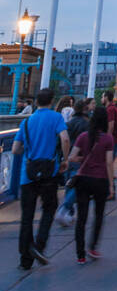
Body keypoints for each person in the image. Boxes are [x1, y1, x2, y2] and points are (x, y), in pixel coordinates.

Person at [11, 88, 70, 270]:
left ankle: (25, 260)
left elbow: (15, 149)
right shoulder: (56, 118)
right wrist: (65, 160)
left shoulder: (27, 122)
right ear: (51, 102)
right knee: (49, 208)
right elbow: (65, 139)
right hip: (49, 173)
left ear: (36, 102)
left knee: (27, 217)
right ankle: (39, 246)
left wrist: (28, 151)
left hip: (27, 175)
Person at [67, 105, 114, 265]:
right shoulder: (108, 138)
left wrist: (83, 158)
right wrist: (111, 185)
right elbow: (108, 162)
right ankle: (92, 247)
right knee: (99, 215)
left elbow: (72, 157)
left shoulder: (83, 136)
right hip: (100, 179)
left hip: (84, 179)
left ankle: (80, 255)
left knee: (82, 217)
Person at [55, 100, 89, 226]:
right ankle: (65, 208)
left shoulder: (68, 124)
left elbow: (61, 141)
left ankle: (69, 214)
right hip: (80, 159)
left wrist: (63, 158)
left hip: (68, 157)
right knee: (77, 186)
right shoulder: (87, 125)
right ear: (85, 110)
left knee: (70, 184)